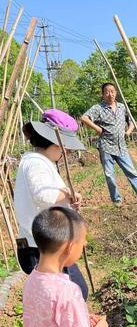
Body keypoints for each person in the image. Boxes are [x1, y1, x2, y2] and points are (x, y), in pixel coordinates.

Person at [14, 109, 89, 300]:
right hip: (40, 248)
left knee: (72, 294)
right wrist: (68, 193)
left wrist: (68, 201)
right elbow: (44, 195)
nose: (67, 152)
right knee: (70, 296)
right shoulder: (37, 163)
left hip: (46, 245)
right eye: (66, 147)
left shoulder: (40, 162)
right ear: (56, 143)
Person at [80, 82, 137, 206]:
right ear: (102, 94)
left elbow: (132, 121)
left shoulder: (122, 107)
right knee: (109, 175)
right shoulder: (98, 108)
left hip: (121, 146)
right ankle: (116, 200)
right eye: (107, 92)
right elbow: (84, 118)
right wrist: (97, 128)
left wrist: (128, 131)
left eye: (112, 91)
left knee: (131, 171)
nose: (110, 94)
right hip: (106, 146)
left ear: (116, 93)